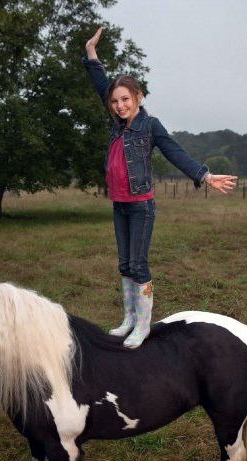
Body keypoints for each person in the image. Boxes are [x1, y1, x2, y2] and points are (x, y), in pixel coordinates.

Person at [83, 27, 237, 348]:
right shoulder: (116, 123)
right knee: (124, 263)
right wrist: (91, 54)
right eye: (114, 101)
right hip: (119, 205)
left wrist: (204, 175)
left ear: (138, 97)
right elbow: (101, 85)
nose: (119, 105)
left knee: (139, 264)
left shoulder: (149, 126)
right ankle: (128, 319)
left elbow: (174, 151)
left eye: (125, 99)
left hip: (141, 207)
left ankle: (143, 325)